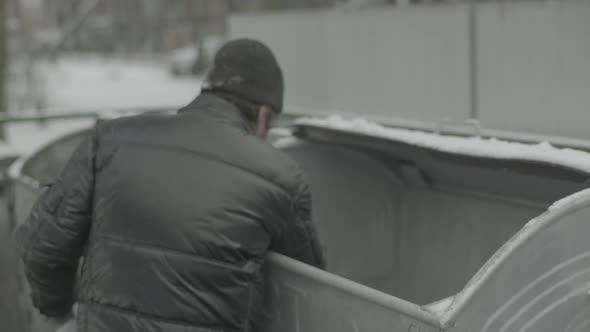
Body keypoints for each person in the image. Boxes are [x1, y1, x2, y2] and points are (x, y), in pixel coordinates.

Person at [16, 39, 325, 332]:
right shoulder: (280, 176)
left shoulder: (110, 140)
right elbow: (313, 295)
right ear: (263, 114)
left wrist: (60, 311)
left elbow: (40, 248)